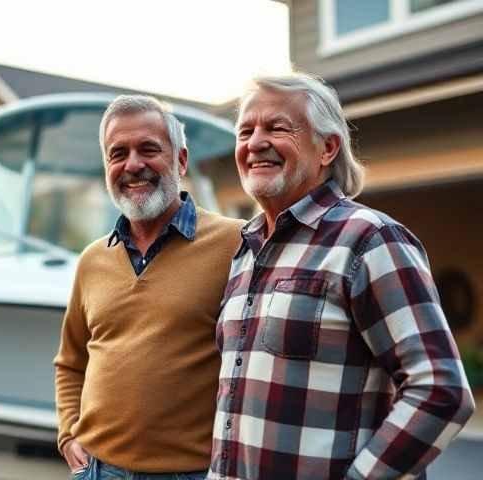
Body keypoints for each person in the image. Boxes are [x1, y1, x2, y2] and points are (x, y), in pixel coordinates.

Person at [208, 73, 475, 480]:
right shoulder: (245, 251)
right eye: (246, 131)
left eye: (277, 127)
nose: (255, 142)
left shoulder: (370, 240)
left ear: (328, 148)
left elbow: (441, 390)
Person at [54, 95, 244, 479]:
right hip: (97, 471)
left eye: (149, 149)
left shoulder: (237, 244)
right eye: (117, 153)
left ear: (182, 160)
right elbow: (71, 362)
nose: (133, 165)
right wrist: (69, 434)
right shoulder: (92, 259)